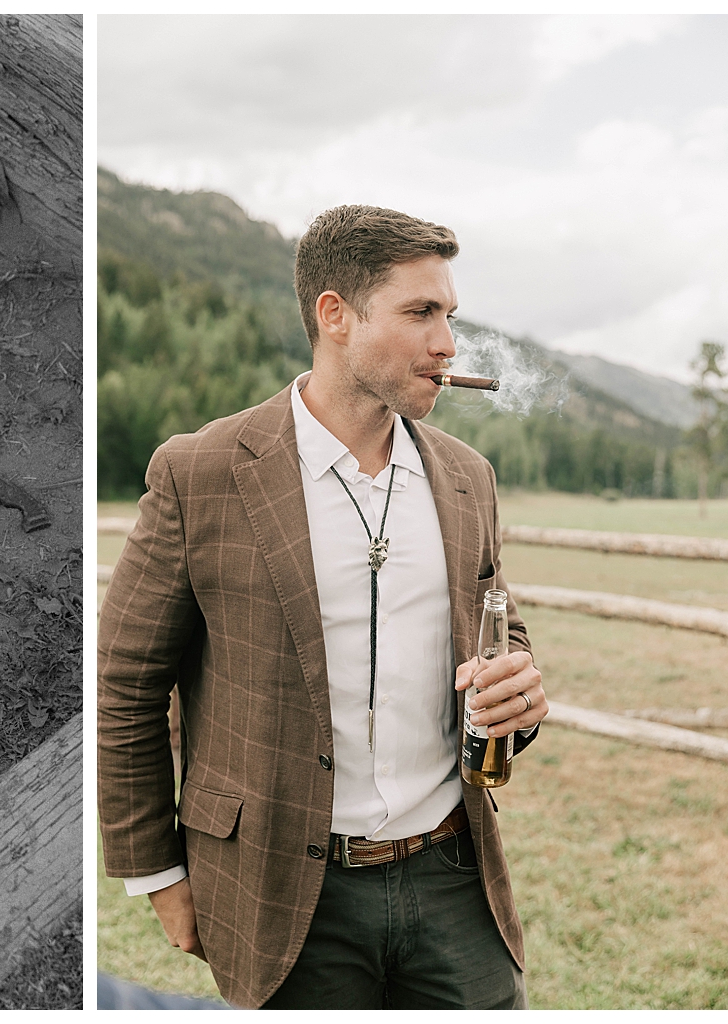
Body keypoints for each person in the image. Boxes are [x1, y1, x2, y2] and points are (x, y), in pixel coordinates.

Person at [99, 204, 549, 1010]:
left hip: (454, 878)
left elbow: (496, 624)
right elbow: (125, 683)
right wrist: (158, 874)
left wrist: (519, 693)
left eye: (450, 315)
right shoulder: (199, 473)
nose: (447, 343)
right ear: (334, 316)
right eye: (420, 314)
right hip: (283, 891)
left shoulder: (466, 476)